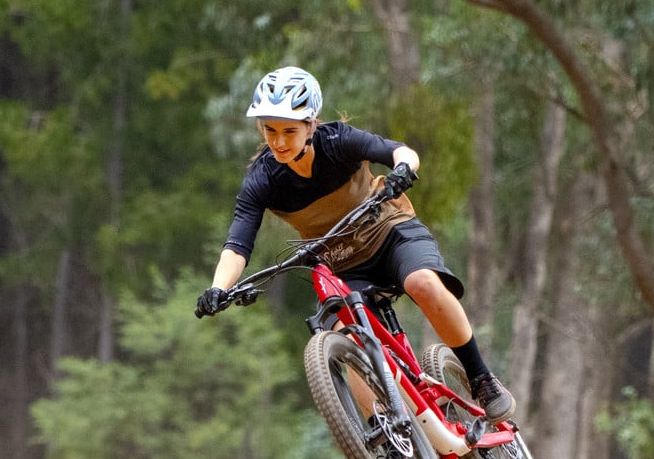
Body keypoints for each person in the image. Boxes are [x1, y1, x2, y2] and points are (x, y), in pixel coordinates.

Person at [196, 65, 515, 422]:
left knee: (422, 282)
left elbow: (400, 151)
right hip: (340, 264)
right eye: (270, 130)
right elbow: (238, 243)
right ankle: (387, 433)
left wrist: (403, 170)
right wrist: (217, 289)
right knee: (348, 335)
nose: (279, 141)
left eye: (289, 131)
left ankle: (481, 378)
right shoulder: (262, 180)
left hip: (390, 232)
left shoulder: (339, 142)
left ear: (311, 125)